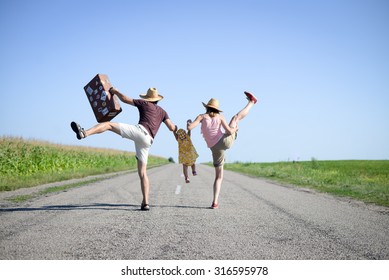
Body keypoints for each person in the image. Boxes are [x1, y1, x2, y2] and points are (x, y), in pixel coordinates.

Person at [70, 87, 178, 211]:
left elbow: (125, 99)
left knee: (108, 124)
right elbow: (171, 127)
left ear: (148, 98)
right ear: (157, 100)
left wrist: (115, 91)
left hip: (140, 131)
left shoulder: (144, 103)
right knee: (143, 173)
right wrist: (177, 131)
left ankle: (85, 133)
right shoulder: (163, 112)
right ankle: (146, 203)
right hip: (148, 141)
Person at [187, 91, 257, 209]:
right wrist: (235, 130)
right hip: (225, 141)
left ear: (207, 108)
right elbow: (229, 131)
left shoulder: (201, 117)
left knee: (218, 176)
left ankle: (215, 202)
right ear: (216, 109)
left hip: (214, 148)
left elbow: (189, 127)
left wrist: (189, 122)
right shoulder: (220, 117)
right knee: (235, 118)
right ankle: (252, 102)